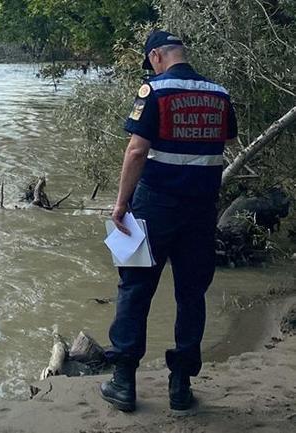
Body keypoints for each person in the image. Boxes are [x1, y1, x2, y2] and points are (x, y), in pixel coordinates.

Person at [99, 30, 238, 413]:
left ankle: (124, 381)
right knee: (191, 294)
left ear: (157, 56)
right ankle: (180, 386)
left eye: (151, 61)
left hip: (155, 206)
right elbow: (221, 142)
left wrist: (121, 204)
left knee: (135, 288)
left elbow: (137, 150)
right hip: (201, 210)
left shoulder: (154, 91)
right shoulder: (219, 94)